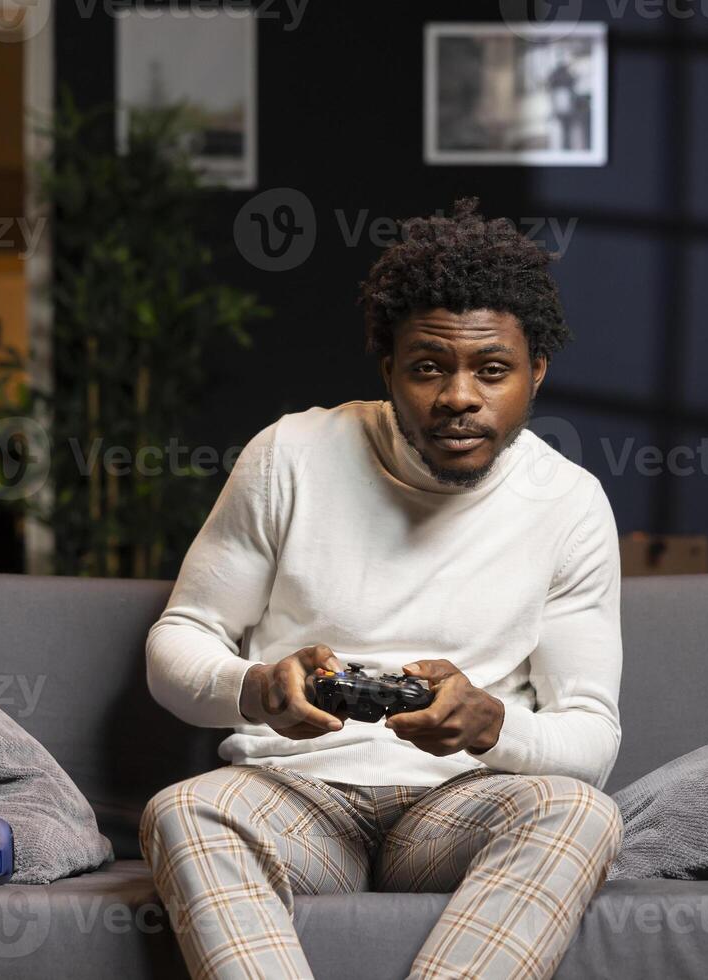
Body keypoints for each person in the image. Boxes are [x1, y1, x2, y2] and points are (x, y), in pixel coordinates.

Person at [142, 197, 623, 980]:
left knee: (581, 815)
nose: (460, 396)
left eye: (492, 370)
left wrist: (491, 724)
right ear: (389, 367)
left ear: (535, 372)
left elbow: (591, 737)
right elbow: (179, 639)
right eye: (429, 366)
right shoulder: (290, 455)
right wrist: (256, 688)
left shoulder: (568, 503)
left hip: (460, 807)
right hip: (297, 795)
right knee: (183, 812)